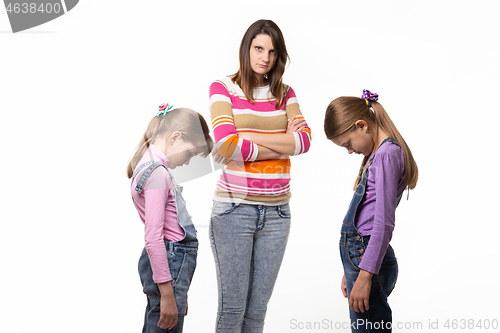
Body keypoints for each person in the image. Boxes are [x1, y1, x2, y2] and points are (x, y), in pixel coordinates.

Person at [209, 19, 312, 332]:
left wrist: (249, 140)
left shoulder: (286, 93)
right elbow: (226, 144)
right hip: (234, 211)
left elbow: (304, 141)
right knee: (232, 312)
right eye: (258, 48)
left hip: (278, 214)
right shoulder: (223, 88)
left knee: (256, 314)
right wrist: (283, 142)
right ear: (247, 48)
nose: (264, 57)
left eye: (272, 51)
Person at [324, 90, 418, 332]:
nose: (349, 151)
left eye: (347, 143)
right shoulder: (378, 153)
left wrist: (364, 274)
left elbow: (383, 223)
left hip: (366, 254)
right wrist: (351, 268)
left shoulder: (387, 154)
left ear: (362, 125)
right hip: (362, 256)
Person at [126, 104, 213, 333]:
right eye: (190, 153)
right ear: (176, 137)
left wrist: (176, 291)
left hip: (172, 267)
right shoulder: (157, 173)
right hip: (170, 261)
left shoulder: (148, 165)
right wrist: (168, 293)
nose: (187, 161)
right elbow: (153, 238)